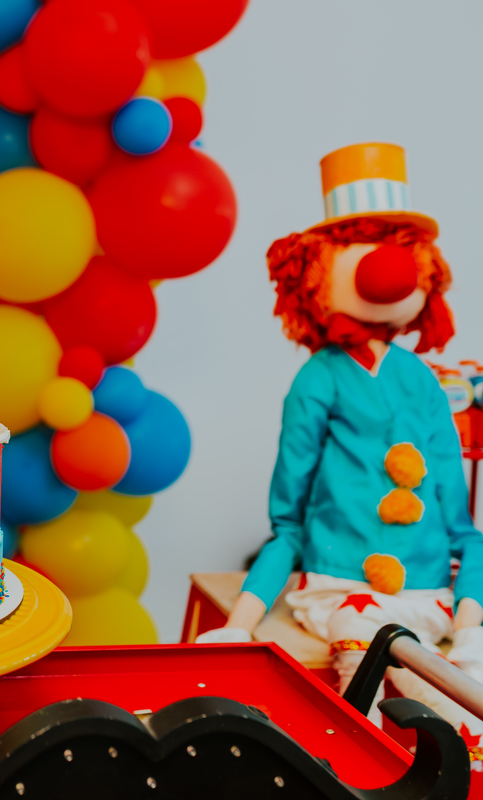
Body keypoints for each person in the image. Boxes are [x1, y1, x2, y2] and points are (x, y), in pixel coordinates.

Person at [198, 143, 483, 749]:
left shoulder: (425, 383)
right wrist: (239, 624)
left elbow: (461, 528)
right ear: (318, 269)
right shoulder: (319, 377)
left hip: (427, 595)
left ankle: (462, 743)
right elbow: (290, 522)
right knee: (359, 624)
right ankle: (369, 749)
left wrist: (468, 622)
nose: (388, 267)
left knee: (437, 656)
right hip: (338, 588)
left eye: (401, 250)